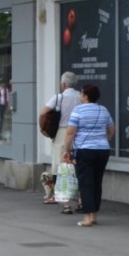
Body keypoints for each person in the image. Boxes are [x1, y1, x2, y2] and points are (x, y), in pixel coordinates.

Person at [63, 82, 115, 228]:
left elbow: (70, 132)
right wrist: (105, 139)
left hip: (85, 151)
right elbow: (111, 128)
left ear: (85, 96)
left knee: (86, 183)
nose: (80, 95)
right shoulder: (103, 110)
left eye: (81, 93)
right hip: (103, 150)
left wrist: (67, 150)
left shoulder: (78, 110)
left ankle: (87, 218)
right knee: (97, 183)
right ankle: (94, 215)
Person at [42, 73, 82, 205]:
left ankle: (58, 195)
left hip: (62, 132)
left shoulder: (59, 97)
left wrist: (43, 129)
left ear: (63, 84)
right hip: (78, 132)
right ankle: (79, 197)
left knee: (58, 164)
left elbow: (43, 113)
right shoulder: (81, 96)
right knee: (75, 164)